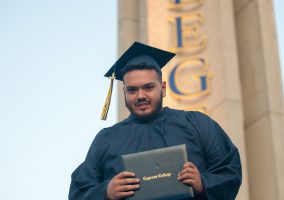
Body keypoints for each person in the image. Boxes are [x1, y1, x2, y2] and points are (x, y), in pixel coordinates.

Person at [69, 42, 242, 200]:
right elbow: (79, 191)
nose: (140, 96)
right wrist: (105, 192)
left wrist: (203, 183)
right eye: (132, 90)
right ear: (124, 94)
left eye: (148, 87)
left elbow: (230, 170)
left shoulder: (197, 123)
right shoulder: (106, 139)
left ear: (163, 88)